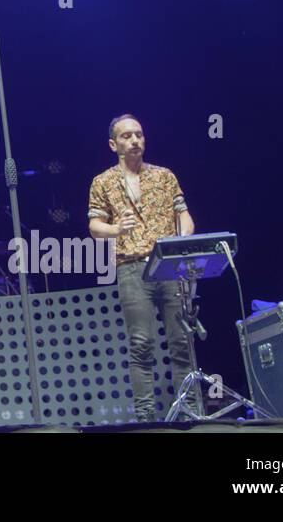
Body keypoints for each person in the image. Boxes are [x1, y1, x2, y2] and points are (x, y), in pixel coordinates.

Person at [87, 114, 197, 422]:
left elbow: (184, 215)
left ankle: (190, 412)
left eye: (139, 134)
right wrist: (117, 229)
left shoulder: (164, 176)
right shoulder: (103, 181)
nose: (135, 139)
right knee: (141, 342)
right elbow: (95, 226)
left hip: (168, 265)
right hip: (131, 267)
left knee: (181, 340)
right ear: (113, 144)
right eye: (126, 136)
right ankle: (146, 417)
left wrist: (181, 238)